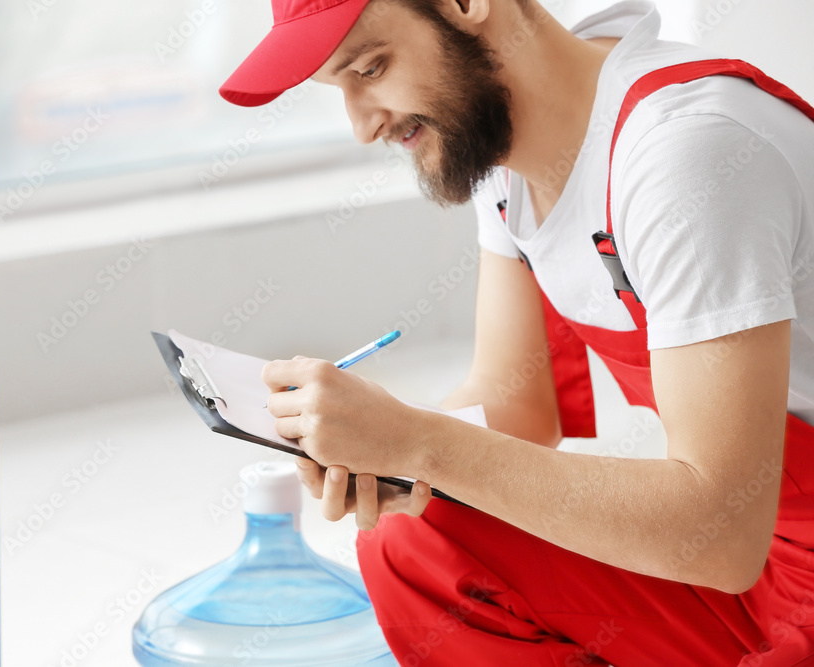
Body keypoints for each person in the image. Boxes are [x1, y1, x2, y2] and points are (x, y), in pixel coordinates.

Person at [220, 0, 814, 664]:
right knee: (412, 539)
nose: (363, 125)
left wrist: (420, 442)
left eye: (371, 67)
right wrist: (380, 448)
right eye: (342, 88)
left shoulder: (683, 153)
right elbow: (517, 410)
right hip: (758, 557)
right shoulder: (507, 154)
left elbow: (721, 534)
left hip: (743, 539)